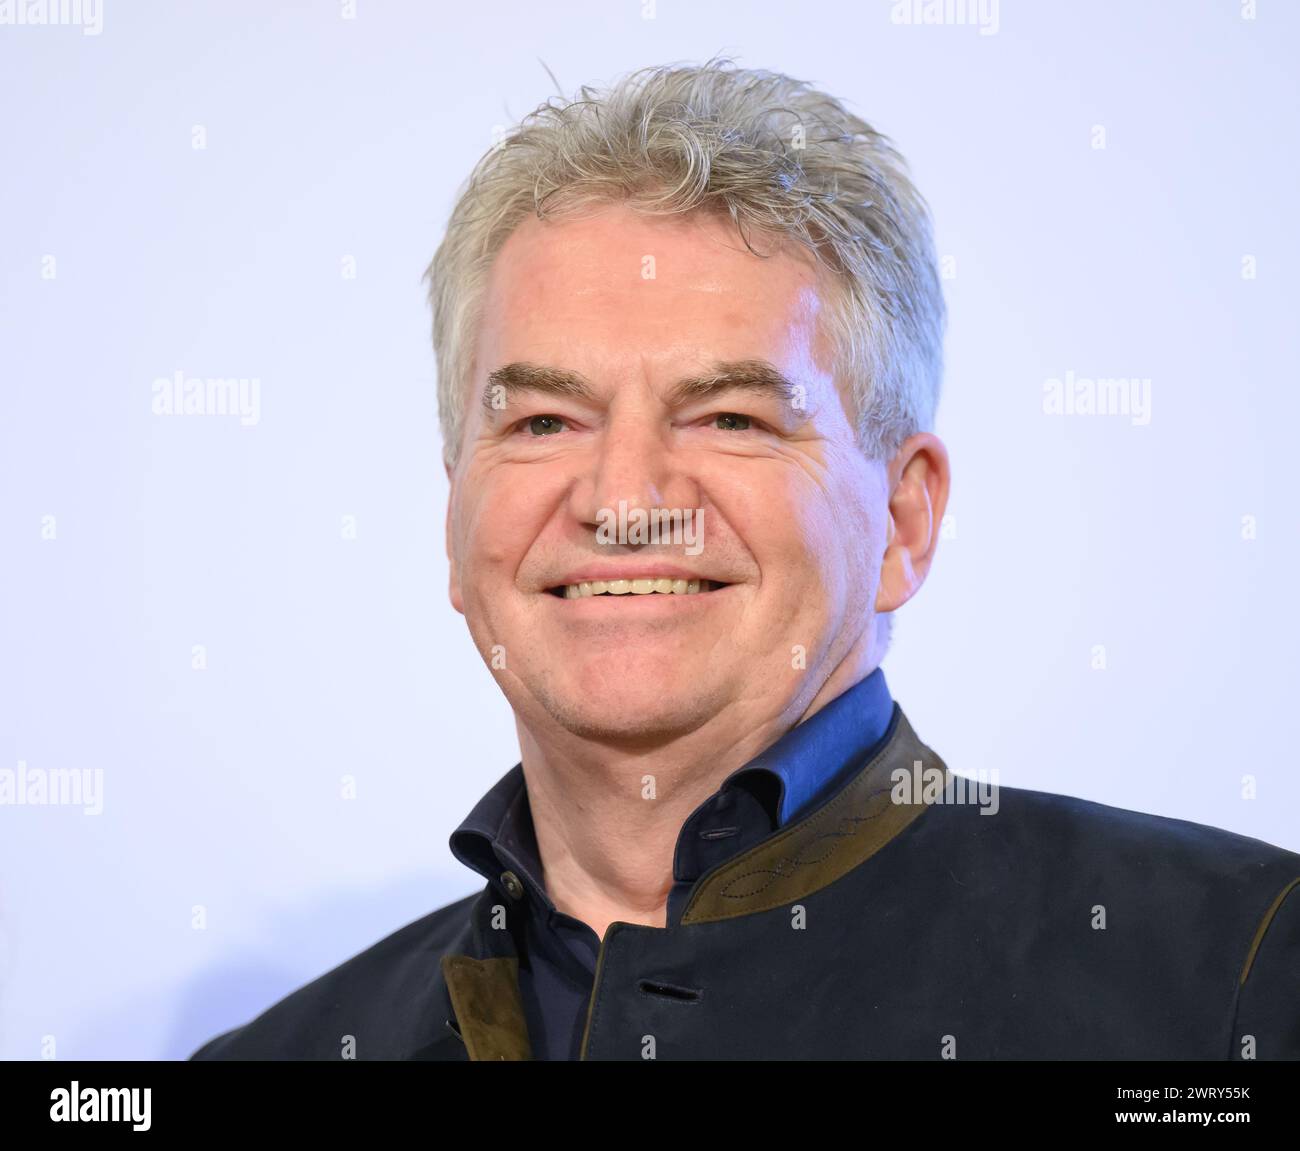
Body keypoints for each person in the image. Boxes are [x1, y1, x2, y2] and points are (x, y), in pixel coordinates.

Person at [191, 57, 1300, 1061]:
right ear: (456, 516)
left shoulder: (1237, 977)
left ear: (905, 520)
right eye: (541, 421)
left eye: (728, 416)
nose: (623, 501)